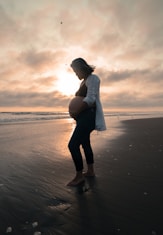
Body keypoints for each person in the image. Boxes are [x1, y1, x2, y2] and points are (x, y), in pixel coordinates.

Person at [67, 58, 106, 186]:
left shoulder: (93, 78)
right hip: (83, 117)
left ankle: (79, 176)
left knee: (73, 145)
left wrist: (77, 111)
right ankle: (90, 171)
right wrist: (77, 114)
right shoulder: (84, 81)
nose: (76, 74)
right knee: (85, 143)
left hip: (88, 116)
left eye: (76, 71)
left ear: (82, 68)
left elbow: (91, 99)